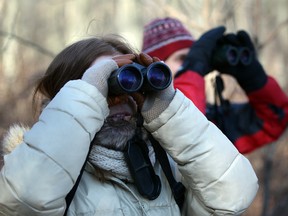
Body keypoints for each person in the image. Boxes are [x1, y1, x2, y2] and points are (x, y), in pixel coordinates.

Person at [0, 35, 258, 215]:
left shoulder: (165, 165)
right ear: (68, 97)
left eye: (128, 81)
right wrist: (89, 93)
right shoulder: (36, 171)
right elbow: (24, 203)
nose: (119, 97)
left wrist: (168, 108)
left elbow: (234, 196)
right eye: (107, 83)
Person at [142, 17, 288, 154]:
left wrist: (254, 79)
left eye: (193, 57)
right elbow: (184, 134)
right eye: (183, 59)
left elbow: (273, 123)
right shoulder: (142, 123)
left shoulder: (212, 120)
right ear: (157, 68)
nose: (192, 66)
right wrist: (193, 68)